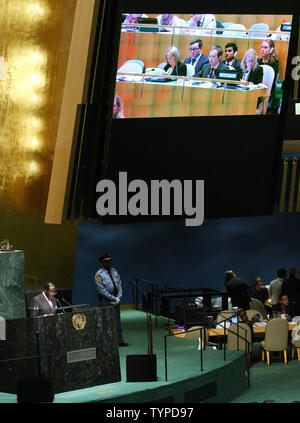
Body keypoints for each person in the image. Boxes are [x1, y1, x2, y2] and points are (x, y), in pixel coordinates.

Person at [95, 253, 128, 346]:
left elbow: (119, 283)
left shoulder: (114, 271)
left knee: (117, 320)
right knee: (107, 321)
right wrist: (113, 298)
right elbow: (101, 290)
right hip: (106, 300)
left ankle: (119, 341)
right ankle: (108, 342)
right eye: (106, 261)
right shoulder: (99, 274)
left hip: (116, 298)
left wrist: (118, 297)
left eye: (110, 261)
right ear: (102, 263)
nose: (109, 263)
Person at [257, 39, 280, 112]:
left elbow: (272, 83)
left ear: (271, 49)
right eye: (262, 47)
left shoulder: (274, 63)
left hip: (267, 91)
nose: (262, 50)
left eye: (265, 47)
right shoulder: (257, 61)